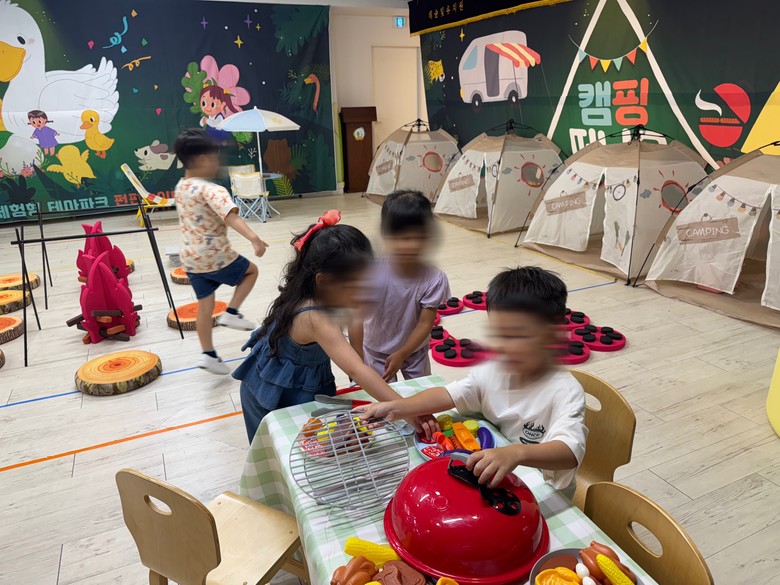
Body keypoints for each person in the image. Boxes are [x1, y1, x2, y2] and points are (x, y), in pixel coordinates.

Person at [361, 267, 587, 492]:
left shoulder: (565, 391)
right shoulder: (495, 369)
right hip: (491, 474)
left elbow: (569, 451)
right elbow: (448, 394)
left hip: (538, 485)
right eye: (499, 334)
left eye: (517, 335)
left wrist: (516, 452)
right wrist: (397, 407)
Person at [233, 211, 436, 443]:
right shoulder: (315, 316)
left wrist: (359, 364)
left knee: (313, 439)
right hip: (269, 392)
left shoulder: (322, 290)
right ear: (324, 281)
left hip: (301, 382)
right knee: (276, 447)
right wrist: (405, 408)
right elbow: (357, 370)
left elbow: (355, 323)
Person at [173, 128, 269, 375]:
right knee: (251, 272)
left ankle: (208, 355)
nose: (217, 164)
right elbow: (230, 217)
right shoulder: (212, 190)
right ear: (203, 159)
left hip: (190, 259)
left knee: (205, 306)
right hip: (213, 253)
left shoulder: (181, 187)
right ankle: (232, 312)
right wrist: (255, 239)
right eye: (215, 159)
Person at [349, 190, 450, 382]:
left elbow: (425, 324)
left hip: (415, 351)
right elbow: (356, 318)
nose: (410, 245)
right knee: (383, 396)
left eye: (418, 237)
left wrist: (402, 353)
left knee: (422, 392)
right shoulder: (371, 271)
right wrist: (356, 359)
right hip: (376, 350)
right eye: (401, 238)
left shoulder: (434, 278)